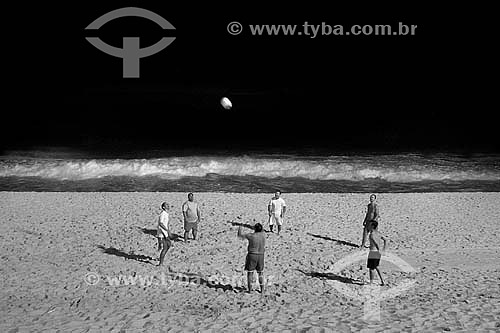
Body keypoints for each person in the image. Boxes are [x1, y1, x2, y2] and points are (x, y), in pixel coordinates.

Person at [238, 223, 266, 293]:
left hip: (252, 255)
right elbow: (260, 230)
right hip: (261, 255)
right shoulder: (263, 235)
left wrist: (240, 228)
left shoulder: (251, 236)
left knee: (250, 273)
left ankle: (250, 289)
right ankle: (262, 289)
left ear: (255, 229)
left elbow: (240, 235)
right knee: (260, 273)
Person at [367, 221, 387, 285]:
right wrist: (383, 249)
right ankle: (382, 280)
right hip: (377, 253)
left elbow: (376, 244)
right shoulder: (378, 233)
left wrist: (379, 250)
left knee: (371, 268)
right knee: (377, 267)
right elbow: (385, 239)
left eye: (369, 225)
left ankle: (371, 282)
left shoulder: (371, 235)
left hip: (373, 252)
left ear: (372, 226)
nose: (368, 226)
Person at [157, 202, 172, 267]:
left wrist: (168, 231)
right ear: (163, 207)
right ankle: (160, 263)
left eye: (168, 205)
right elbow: (160, 223)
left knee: (168, 245)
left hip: (165, 233)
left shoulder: (166, 214)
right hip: (162, 233)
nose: (168, 206)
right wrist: (166, 230)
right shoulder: (162, 214)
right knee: (165, 247)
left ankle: (161, 258)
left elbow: (166, 224)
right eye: (167, 205)